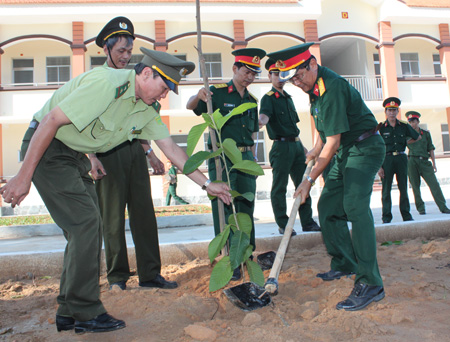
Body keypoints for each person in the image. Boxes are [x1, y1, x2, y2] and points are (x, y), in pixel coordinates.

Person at [0, 48, 231, 333]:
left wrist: (208, 185)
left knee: (85, 227)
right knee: (86, 224)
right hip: (48, 145)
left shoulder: (144, 109)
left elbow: (171, 149)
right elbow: (50, 122)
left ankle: (68, 310)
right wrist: (24, 175)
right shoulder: (108, 85)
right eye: (163, 87)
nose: (163, 95)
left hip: (74, 155)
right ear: (146, 73)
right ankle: (85, 311)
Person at [268, 43, 386, 311]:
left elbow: (332, 143)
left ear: (311, 64)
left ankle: (370, 282)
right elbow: (325, 129)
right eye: (291, 80)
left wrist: (307, 181)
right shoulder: (314, 88)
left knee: (355, 206)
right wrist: (314, 149)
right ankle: (345, 262)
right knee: (328, 206)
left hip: (365, 147)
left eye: (298, 76)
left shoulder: (331, 87)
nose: (297, 83)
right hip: (344, 148)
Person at [89, 17, 177, 292]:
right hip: (107, 156)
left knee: (144, 215)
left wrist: (149, 152)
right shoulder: (100, 81)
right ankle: (117, 278)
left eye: (129, 51)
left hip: (134, 155)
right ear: (106, 50)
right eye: (120, 51)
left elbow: (142, 124)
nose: (126, 56)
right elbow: (85, 122)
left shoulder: (139, 80)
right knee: (112, 218)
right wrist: (90, 157)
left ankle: (150, 274)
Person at [186, 47, 266, 280]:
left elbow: (252, 136)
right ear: (235, 68)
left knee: (246, 208)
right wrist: (197, 96)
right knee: (223, 208)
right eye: (247, 71)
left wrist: (252, 160)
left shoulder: (252, 101)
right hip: (222, 160)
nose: (250, 77)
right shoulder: (217, 93)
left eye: (254, 73)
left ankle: (246, 255)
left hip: (245, 161)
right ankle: (230, 260)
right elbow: (192, 107)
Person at [258, 58, 320, 235]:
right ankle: (283, 224)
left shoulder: (289, 99)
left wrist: (304, 148)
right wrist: (259, 122)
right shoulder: (268, 98)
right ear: (269, 76)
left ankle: (307, 221)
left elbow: (294, 128)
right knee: (280, 187)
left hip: (296, 147)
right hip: (281, 147)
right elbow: (264, 117)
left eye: (281, 74)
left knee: (304, 183)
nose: (279, 78)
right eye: (275, 74)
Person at [378, 97, 419, 223]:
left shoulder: (404, 126)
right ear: (385, 112)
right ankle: (386, 217)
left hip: (401, 158)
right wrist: (379, 166)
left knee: (403, 188)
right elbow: (376, 147)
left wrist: (405, 142)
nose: (392, 112)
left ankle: (406, 215)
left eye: (394, 110)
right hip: (387, 159)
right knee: (386, 190)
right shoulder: (380, 128)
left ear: (397, 111)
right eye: (389, 110)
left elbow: (417, 137)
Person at [405, 111, 450, 215]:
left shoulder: (425, 134)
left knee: (434, 185)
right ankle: (421, 209)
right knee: (415, 187)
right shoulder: (407, 135)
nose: (412, 124)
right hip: (412, 161)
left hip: (425, 162)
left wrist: (434, 163)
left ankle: (443, 207)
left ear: (418, 121)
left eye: (414, 121)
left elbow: (431, 149)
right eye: (410, 122)